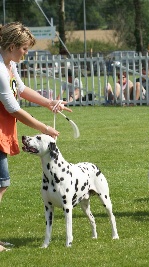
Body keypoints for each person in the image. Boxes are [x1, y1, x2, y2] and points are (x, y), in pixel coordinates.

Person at [0, 22, 70, 250]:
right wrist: (44, 129)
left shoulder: (10, 65)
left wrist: (49, 103)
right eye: (24, 49)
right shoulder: (0, 70)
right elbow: (14, 108)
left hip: (2, 130)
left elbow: (21, 90)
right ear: (12, 46)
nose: (26, 53)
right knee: (1, 184)